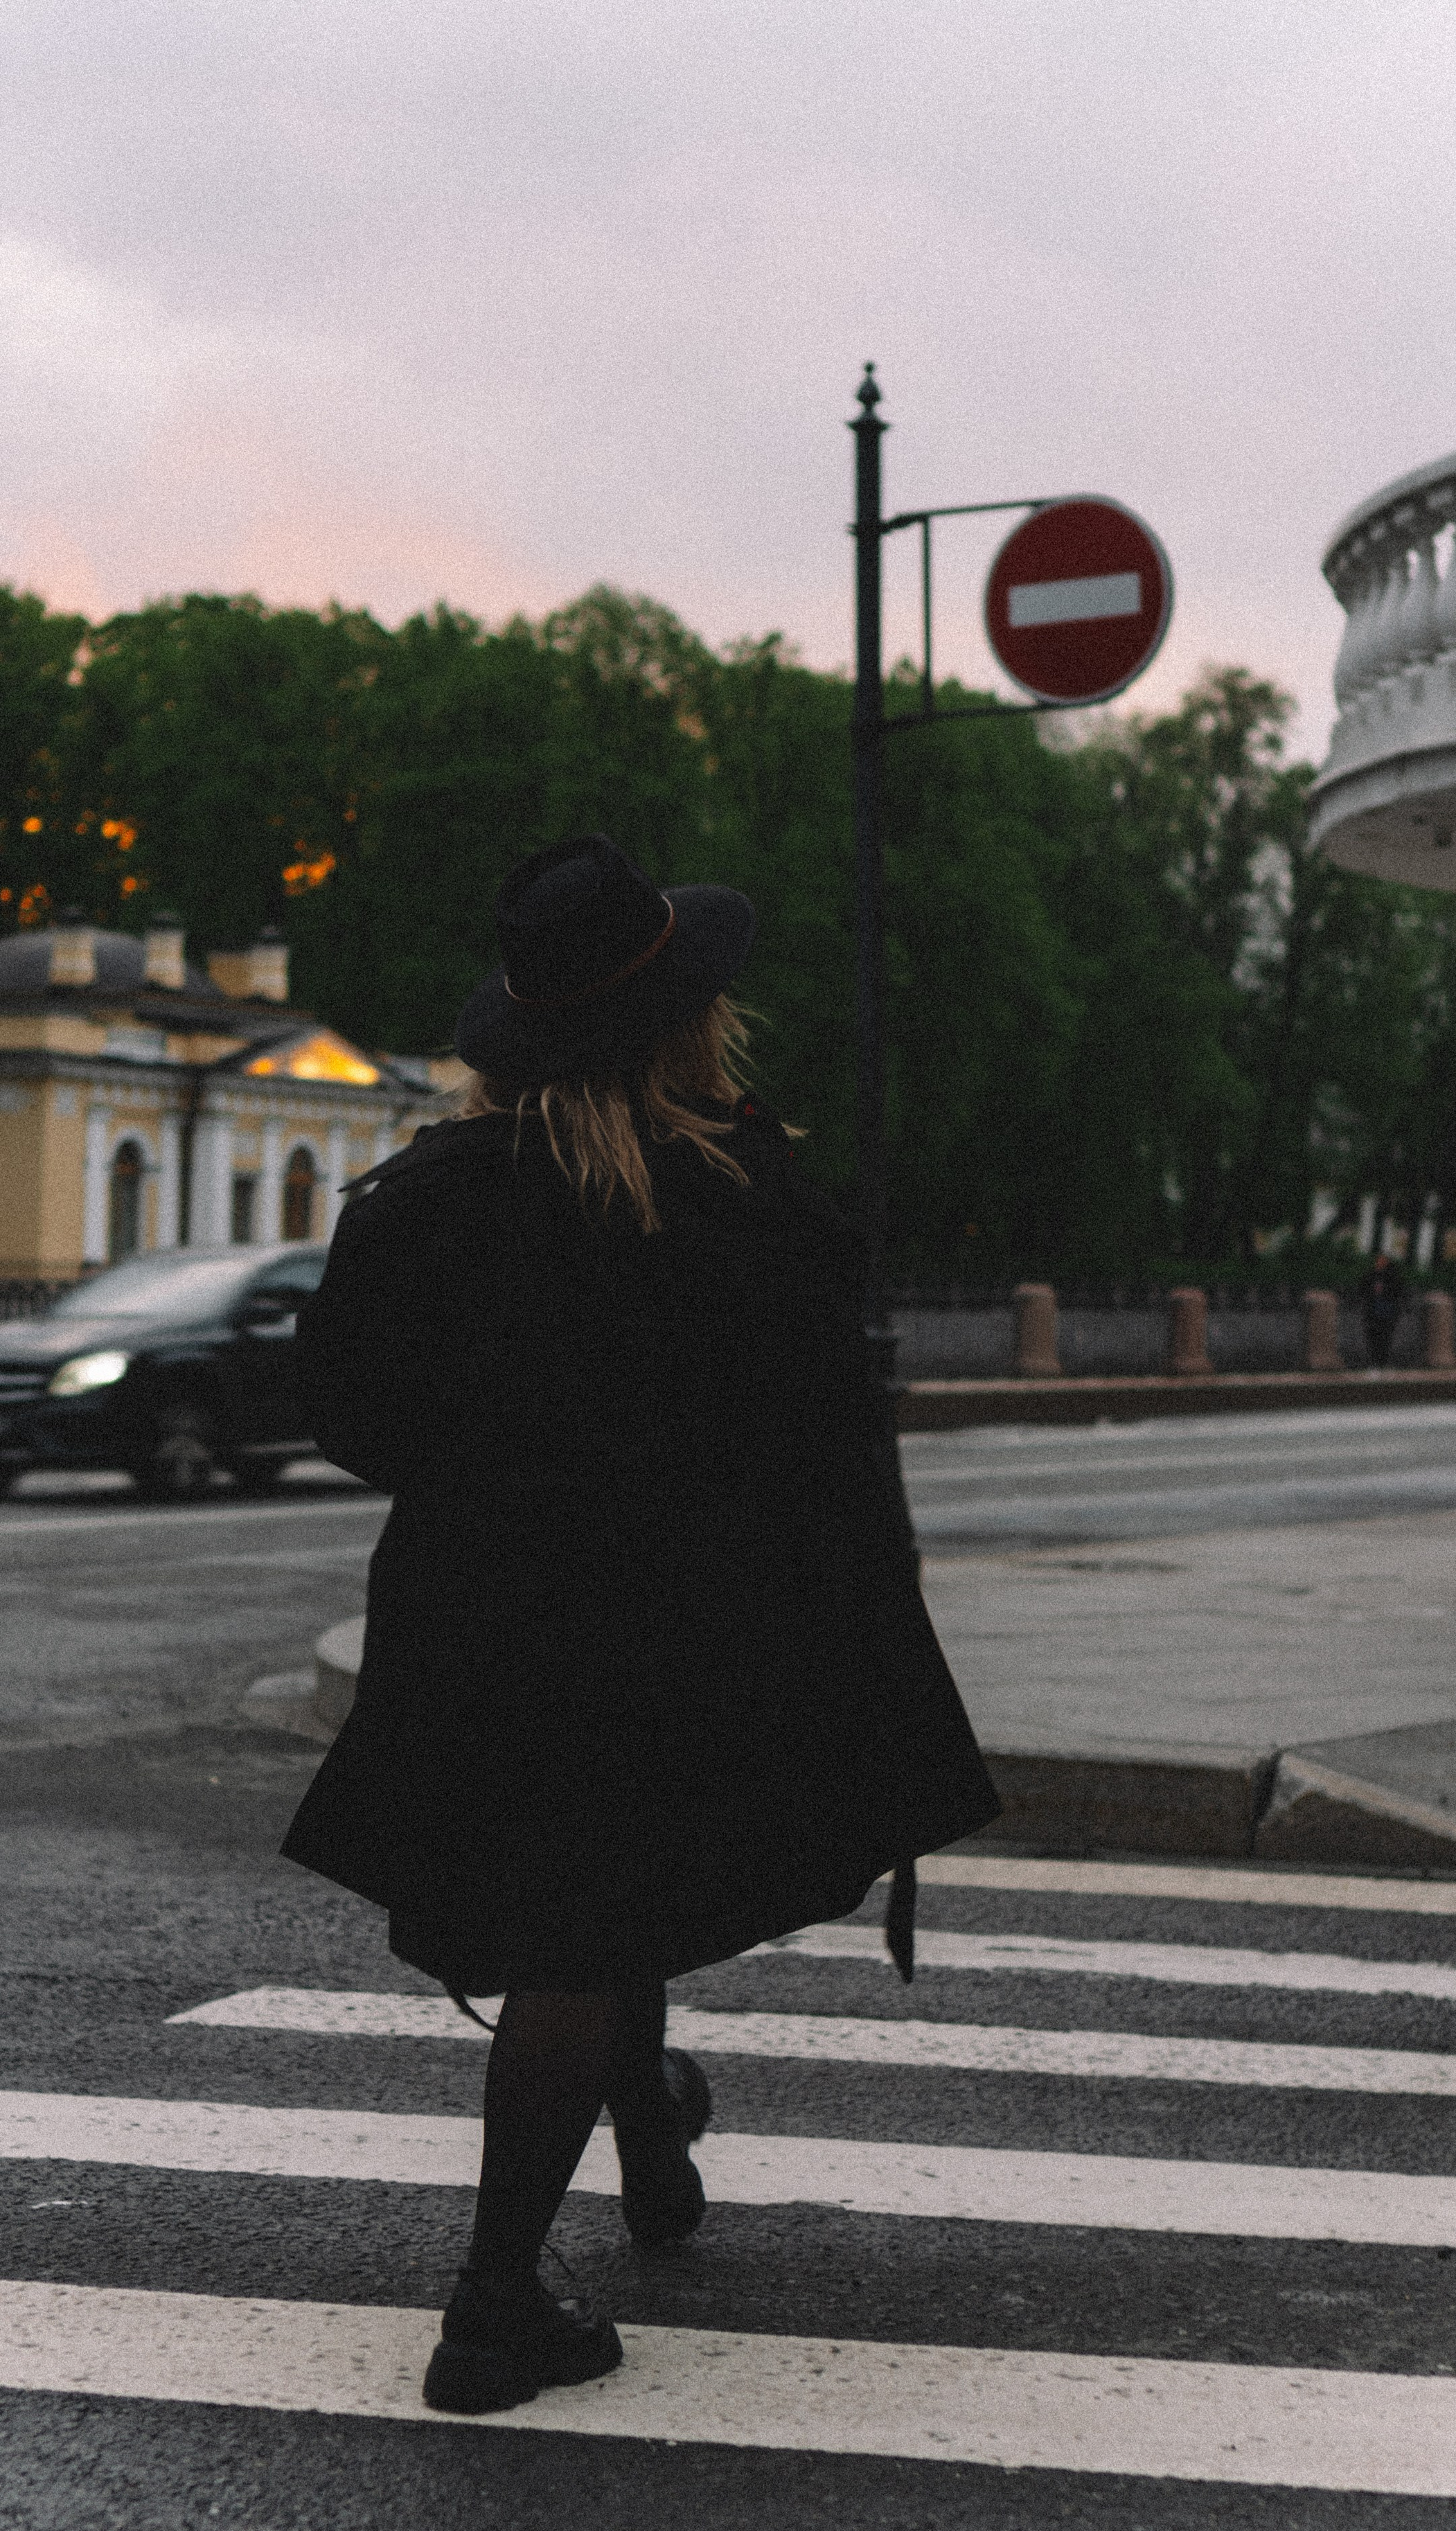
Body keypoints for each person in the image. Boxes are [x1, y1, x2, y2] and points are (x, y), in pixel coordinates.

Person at [281, 834, 998, 2415]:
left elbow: (347, 1411)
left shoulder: (429, 1200)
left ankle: (651, 2127)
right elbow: (819, 1425)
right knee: (587, 1923)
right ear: (684, 1021)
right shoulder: (735, 1196)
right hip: (676, 1622)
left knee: (588, 1892)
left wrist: (490, 1478)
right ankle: (492, 2308)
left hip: (479, 1614)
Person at [1362, 1248, 1405, 1366]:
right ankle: (1374, 1360)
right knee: (1373, 1336)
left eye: (1382, 1260)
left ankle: (1383, 1360)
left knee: (1385, 1336)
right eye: (1378, 1260)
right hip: (1373, 1310)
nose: (1379, 1263)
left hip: (1387, 1310)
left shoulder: (1392, 1276)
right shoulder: (1371, 1275)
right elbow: (1363, 1289)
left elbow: (1398, 1292)